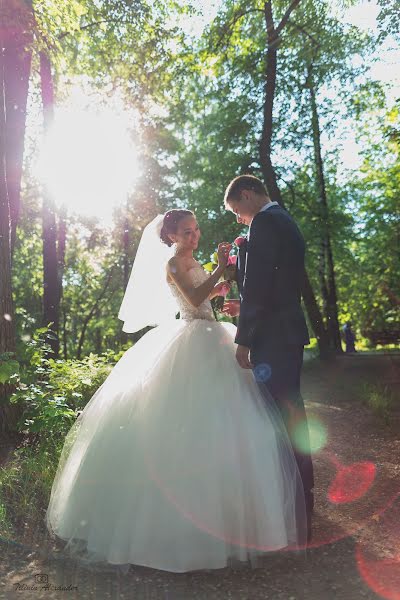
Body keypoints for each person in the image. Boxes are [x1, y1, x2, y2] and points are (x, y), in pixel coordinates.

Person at [44, 209, 307, 574]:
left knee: (228, 425)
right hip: (190, 340)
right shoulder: (171, 262)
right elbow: (192, 293)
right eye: (186, 232)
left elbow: (203, 296)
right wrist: (217, 269)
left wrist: (221, 288)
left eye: (196, 229)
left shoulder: (190, 258)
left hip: (212, 334)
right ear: (170, 236)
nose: (194, 236)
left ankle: (234, 522)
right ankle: (168, 535)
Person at [221, 175, 315, 539]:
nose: (238, 219)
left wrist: (244, 339)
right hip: (284, 331)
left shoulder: (264, 222)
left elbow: (260, 284)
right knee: (289, 414)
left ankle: (295, 510)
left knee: (281, 418)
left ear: (246, 196)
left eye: (236, 211)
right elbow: (272, 287)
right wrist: (243, 307)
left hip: (272, 339)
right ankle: (298, 505)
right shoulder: (284, 220)